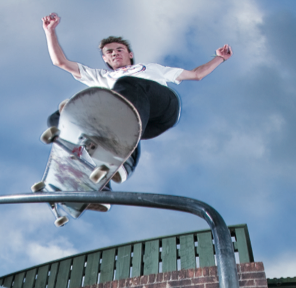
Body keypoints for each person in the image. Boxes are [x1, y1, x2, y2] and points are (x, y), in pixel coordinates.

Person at [41, 13, 232, 187]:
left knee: (127, 84)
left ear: (130, 54)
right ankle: (95, 180)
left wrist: (219, 58)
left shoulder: (150, 68)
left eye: (119, 49)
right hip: (138, 125)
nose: (115, 53)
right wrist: (50, 32)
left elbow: (197, 74)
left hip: (161, 108)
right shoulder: (100, 76)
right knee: (58, 118)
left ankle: (125, 156)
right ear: (105, 58)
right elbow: (61, 62)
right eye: (109, 52)